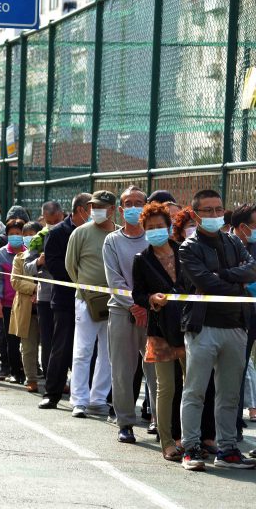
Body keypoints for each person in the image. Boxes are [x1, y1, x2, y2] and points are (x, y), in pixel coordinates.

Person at [178, 189, 256, 471]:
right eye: (208, 210)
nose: (214, 214)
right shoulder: (188, 247)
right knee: (195, 391)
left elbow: (252, 269)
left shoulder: (234, 242)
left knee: (230, 393)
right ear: (196, 214)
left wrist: (222, 277)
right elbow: (205, 283)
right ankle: (191, 448)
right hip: (202, 327)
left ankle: (228, 450)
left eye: (218, 209)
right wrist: (235, 283)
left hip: (236, 325)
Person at [132, 202, 187, 462]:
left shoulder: (185, 251)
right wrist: (151, 297)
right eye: (150, 227)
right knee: (166, 387)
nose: (155, 231)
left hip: (189, 327)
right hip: (161, 329)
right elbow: (137, 294)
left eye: (160, 226)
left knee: (193, 385)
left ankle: (188, 438)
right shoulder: (141, 260)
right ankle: (167, 442)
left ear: (168, 227)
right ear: (144, 230)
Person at [103, 186, 157, 443]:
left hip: (154, 313)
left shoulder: (155, 238)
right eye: (129, 203)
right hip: (122, 312)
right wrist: (134, 305)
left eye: (139, 202)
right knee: (123, 371)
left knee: (157, 371)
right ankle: (125, 423)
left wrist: (147, 305)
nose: (134, 207)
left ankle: (161, 422)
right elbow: (114, 279)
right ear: (121, 210)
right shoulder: (112, 241)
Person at [64, 190, 116, 419]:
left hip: (115, 302)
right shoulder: (80, 233)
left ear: (112, 210)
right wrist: (83, 289)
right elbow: (70, 265)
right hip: (85, 301)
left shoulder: (118, 234)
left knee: (108, 352)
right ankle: (79, 400)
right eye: (93, 206)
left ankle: (98, 398)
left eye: (101, 206)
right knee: (82, 351)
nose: (96, 210)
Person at [39, 193, 92, 410]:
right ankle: (52, 393)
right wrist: (79, 275)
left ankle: (91, 396)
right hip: (64, 298)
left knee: (91, 349)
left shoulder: (100, 231)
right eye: (91, 208)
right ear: (80, 210)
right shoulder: (59, 232)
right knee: (60, 346)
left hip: (92, 299)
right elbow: (52, 263)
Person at [226, 204, 256, 443]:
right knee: (235, 371)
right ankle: (231, 426)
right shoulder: (221, 245)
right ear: (242, 226)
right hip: (231, 316)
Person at [24, 201, 64, 377]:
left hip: (66, 295)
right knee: (47, 339)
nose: (53, 225)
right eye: (49, 222)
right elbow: (26, 267)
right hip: (45, 296)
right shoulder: (38, 238)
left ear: (62, 215)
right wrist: (39, 262)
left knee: (63, 340)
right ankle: (49, 376)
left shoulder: (71, 233)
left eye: (56, 221)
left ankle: (63, 377)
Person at [10, 221, 43, 392]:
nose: (29, 238)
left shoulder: (48, 255)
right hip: (27, 309)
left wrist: (43, 292)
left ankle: (56, 379)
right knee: (28, 347)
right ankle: (31, 379)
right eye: (26, 235)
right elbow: (15, 281)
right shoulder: (19, 258)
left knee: (51, 348)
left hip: (47, 307)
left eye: (33, 235)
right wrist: (36, 289)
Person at [0, 218, 27, 383]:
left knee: (27, 339)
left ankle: (28, 370)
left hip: (26, 302)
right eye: (11, 234)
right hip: (7, 303)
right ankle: (12, 370)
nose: (15, 236)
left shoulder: (29, 253)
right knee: (9, 339)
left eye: (18, 233)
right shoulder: (0, 255)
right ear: (6, 235)